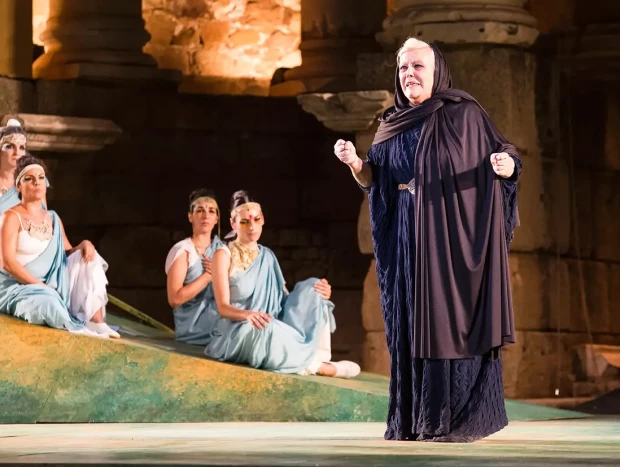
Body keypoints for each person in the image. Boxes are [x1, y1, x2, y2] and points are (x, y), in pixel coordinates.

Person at [334, 38, 521, 442]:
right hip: (405, 236)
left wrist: (505, 167)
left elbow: (502, 151)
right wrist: (355, 164)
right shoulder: (391, 122)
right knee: (409, 322)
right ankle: (413, 420)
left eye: (417, 66)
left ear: (437, 72)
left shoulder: (465, 114)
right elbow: (375, 179)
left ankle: (452, 419)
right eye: (403, 68)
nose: (409, 75)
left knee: (445, 321)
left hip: (450, 238)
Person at [204, 190, 360, 378]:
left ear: (262, 220)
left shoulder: (267, 255)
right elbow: (223, 308)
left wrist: (318, 292)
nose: (251, 227)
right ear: (233, 224)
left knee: (313, 286)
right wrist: (248, 315)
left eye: (256, 220)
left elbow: (283, 298)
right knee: (265, 328)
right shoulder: (223, 255)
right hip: (238, 328)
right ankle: (317, 366)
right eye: (244, 222)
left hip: (269, 320)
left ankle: (317, 356)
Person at [0, 155, 119, 338]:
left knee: (89, 260)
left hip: (53, 283)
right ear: (19, 186)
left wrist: (84, 245)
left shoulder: (53, 217)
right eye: (29, 179)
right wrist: (41, 286)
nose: (36, 183)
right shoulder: (12, 217)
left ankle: (96, 323)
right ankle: (77, 329)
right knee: (49, 303)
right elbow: (8, 263)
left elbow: (66, 253)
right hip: (20, 287)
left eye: (40, 178)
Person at [165, 189, 224, 344]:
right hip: (193, 330)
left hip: (222, 323)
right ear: (190, 217)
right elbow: (174, 299)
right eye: (200, 211)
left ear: (216, 218)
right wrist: (208, 276)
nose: (206, 215)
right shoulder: (183, 251)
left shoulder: (223, 250)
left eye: (211, 211)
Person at [0, 117, 27, 214]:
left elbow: (42, 217)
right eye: (10, 146)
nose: (17, 152)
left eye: (22, 147)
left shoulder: (33, 180)